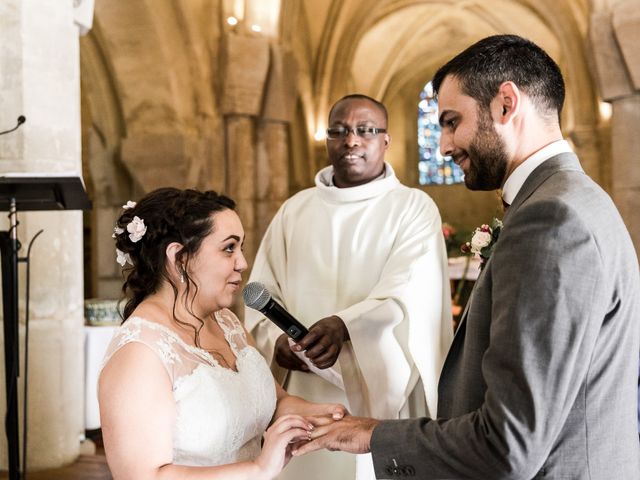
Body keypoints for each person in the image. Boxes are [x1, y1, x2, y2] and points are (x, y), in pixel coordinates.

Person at [294, 35, 640, 479]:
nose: (443, 145)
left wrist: (374, 434)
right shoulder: (577, 198)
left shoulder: (551, 219)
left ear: (505, 104)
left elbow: (508, 445)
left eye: (452, 121)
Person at [245, 94, 453, 479]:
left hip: (375, 396)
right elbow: (261, 289)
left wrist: (342, 327)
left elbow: (408, 294)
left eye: (365, 130)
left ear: (386, 141)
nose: (351, 140)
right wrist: (275, 344)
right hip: (303, 393)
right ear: (326, 141)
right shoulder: (295, 210)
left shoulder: (413, 207)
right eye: (338, 131)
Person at [98, 188, 346, 480]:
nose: (242, 263)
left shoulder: (227, 323)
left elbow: (272, 401)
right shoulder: (139, 353)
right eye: (229, 248)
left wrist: (327, 416)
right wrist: (257, 469)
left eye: (240, 248)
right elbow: (143, 476)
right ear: (178, 257)